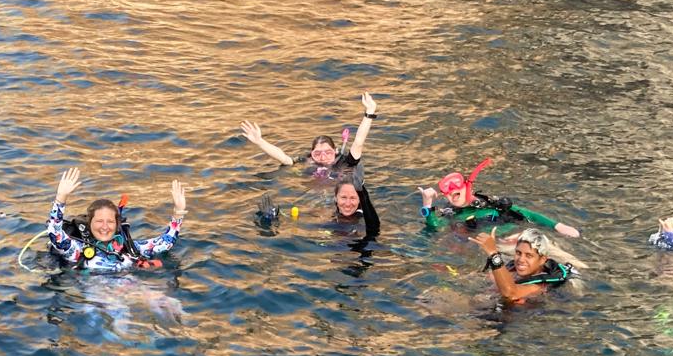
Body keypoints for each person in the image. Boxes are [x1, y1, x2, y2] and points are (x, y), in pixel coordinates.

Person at [47, 167, 186, 273]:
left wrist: (178, 212)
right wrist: (61, 198)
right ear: (90, 224)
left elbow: (165, 243)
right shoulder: (77, 250)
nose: (105, 226)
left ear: (117, 224)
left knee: (169, 303)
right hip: (98, 301)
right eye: (99, 221)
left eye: (110, 221)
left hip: (133, 289)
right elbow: (55, 233)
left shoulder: (128, 248)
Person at [417, 158, 580, 238]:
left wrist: (557, 225)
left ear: (468, 186)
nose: (452, 197)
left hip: (519, 237)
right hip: (499, 247)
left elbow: (526, 213)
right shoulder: (452, 214)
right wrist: (427, 203)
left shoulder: (488, 202)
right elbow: (435, 228)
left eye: (456, 192)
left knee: (558, 253)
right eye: (448, 195)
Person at [240, 92, 377, 186]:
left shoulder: (344, 163)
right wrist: (260, 141)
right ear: (311, 154)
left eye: (327, 152)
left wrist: (369, 112)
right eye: (317, 153)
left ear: (335, 151)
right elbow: (284, 159)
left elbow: (358, 143)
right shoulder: (308, 162)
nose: (323, 158)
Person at [471, 227, 572, 303]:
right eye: (518, 253)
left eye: (529, 255)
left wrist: (493, 253)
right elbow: (487, 276)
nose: (521, 260)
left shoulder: (539, 287)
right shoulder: (512, 268)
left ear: (542, 260)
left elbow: (510, 294)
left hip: (506, 322)